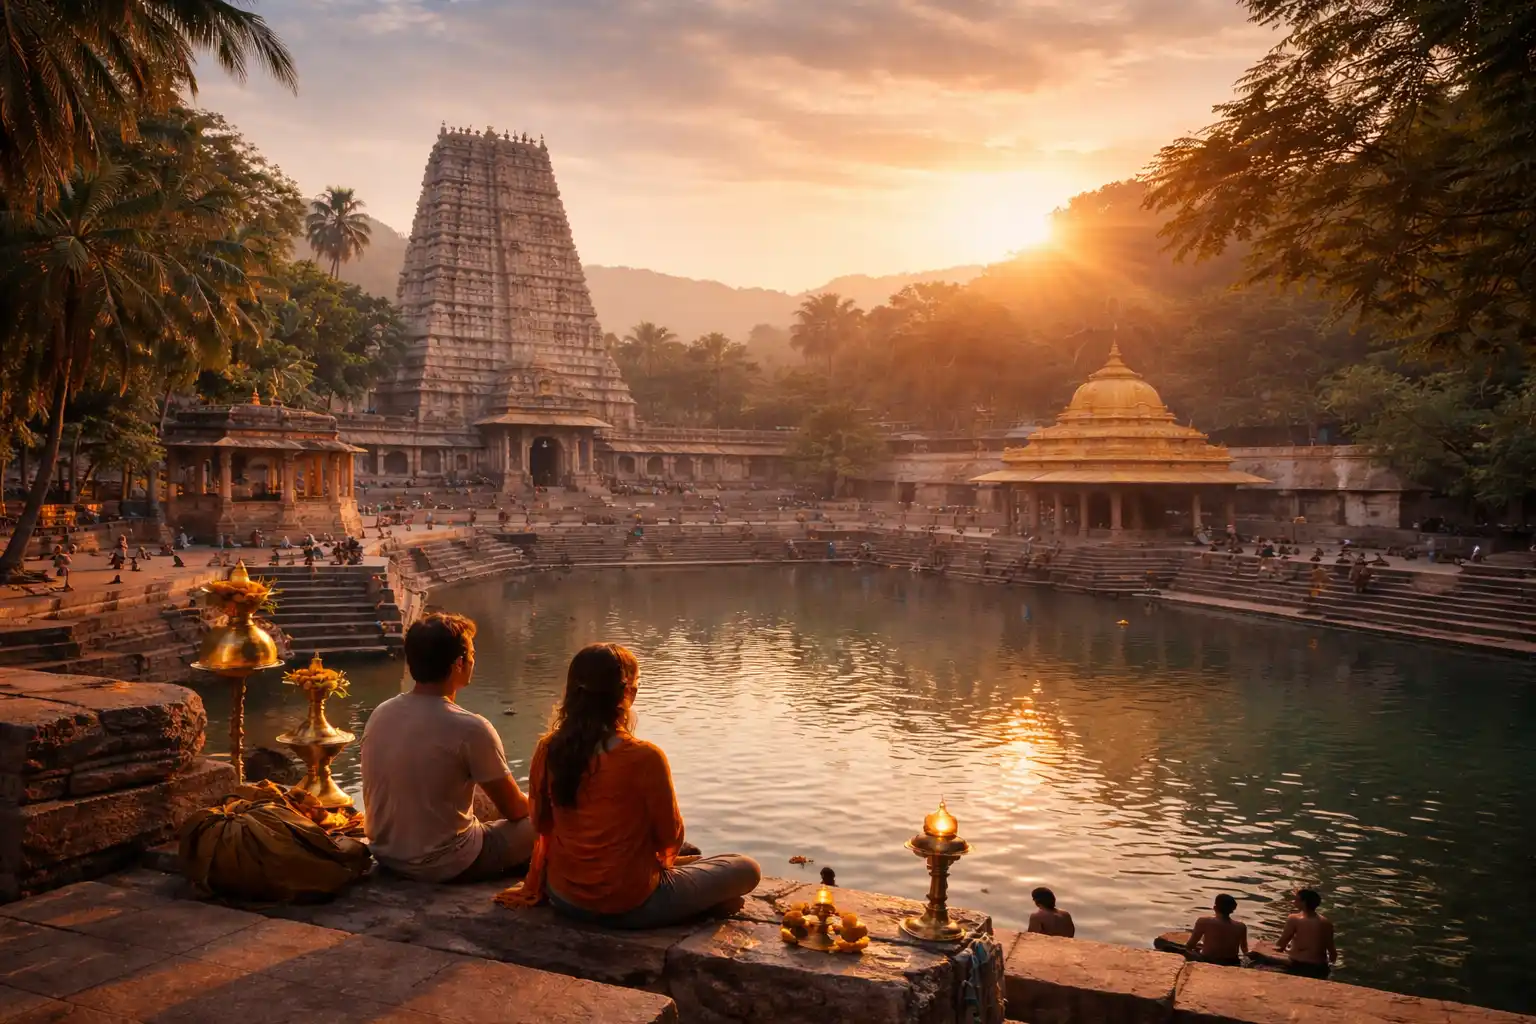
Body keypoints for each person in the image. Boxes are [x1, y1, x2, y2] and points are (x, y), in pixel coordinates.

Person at [499, 643, 760, 928]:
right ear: (628, 694)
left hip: (564, 895)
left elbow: (540, 822)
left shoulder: (548, 748)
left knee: (692, 856)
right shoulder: (645, 757)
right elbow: (669, 837)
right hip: (630, 904)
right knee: (745, 867)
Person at [361, 613, 535, 882]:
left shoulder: (381, 713)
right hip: (447, 862)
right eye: (472, 654)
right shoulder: (471, 727)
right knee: (549, 821)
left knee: (480, 793)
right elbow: (515, 809)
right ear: (459, 664)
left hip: (386, 854)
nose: (474, 660)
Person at [1276, 889, 1336, 979]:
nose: (1293, 901)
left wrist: (1284, 949)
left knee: (1258, 958)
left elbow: (1281, 943)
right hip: (1321, 968)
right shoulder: (1326, 922)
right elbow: (1332, 953)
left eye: (1296, 899)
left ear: (1303, 903)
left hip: (1299, 965)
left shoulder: (1294, 918)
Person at [1187, 894, 1248, 966]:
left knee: (1187, 950)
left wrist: (1197, 949)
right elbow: (1244, 949)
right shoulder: (1241, 926)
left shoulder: (1203, 921)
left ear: (1215, 908)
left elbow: (1190, 945)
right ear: (1232, 909)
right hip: (1232, 962)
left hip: (1208, 960)